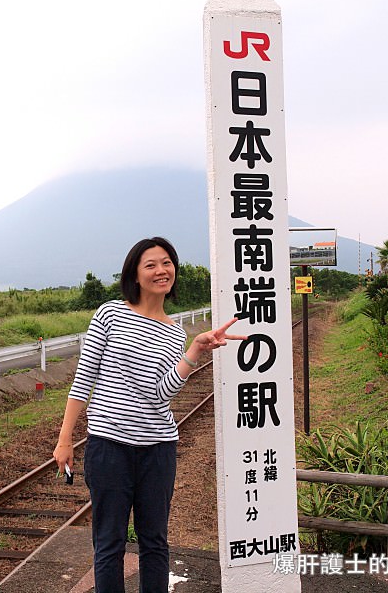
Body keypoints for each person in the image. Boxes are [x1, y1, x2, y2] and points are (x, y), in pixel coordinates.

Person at [52, 236, 245, 593]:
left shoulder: (175, 331)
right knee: (109, 542)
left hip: (159, 449)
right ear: (135, 275)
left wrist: (195, 350)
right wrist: (65, 440)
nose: (161, 270)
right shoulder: (110, 314)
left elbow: (163, 392)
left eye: (167, 262)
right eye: (151, 264)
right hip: (109, 447)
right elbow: (84, 380)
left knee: (155, 541)